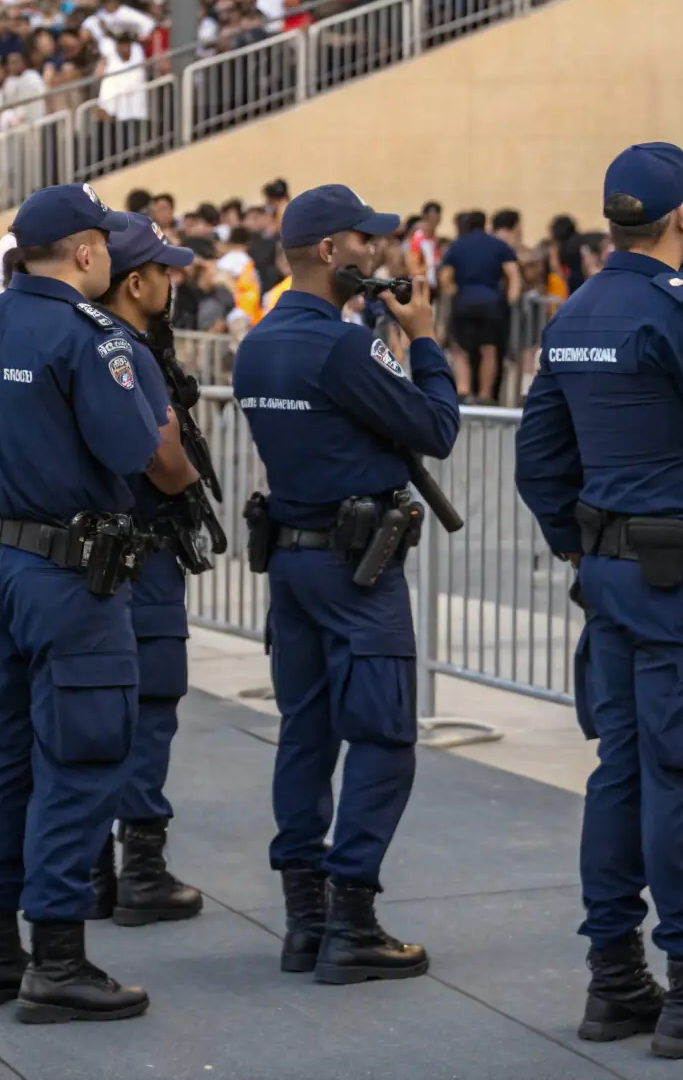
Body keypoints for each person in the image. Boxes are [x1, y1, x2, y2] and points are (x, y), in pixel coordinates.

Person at [514, 143, 683, 1060]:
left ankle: (615, 981)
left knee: (623, 776)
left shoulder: (576, 311)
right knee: (682, 782)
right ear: (682, 217)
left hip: (615, 581)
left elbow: (539, 462)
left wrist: (591, 546)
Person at [0, 183, 200, 1025]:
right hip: (74, 577)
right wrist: (175, 462)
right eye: (105, 242)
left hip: (0, 567)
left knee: (6, 758)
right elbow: (144, 455)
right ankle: (59, 959)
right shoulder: (97, 338)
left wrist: (0, 542)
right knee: (80, 761)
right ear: (84, 252)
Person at [232, 184, 460, 985]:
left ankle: (306, 919)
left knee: (306, 731)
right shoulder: (341, 343)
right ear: (330, 252)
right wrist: (423, 340)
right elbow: (435, 427)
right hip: (353, 569)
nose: (378, 254)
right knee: (384, 738)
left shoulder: (256, 343)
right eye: (365, 240)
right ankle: (353, 917)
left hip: (292, 561)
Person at [87, 215, 207, 925]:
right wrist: (191, 478)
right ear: (134, 282)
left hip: (99, 556)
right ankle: (144, 869)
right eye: (163, 270)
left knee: (100, 713)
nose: (172, 281)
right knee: (149, 707)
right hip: (142, 555)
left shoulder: (84, 340)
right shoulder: (127, 350)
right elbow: (165, 463)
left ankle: (100, 869)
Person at [439, 210, 522, 403]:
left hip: (464, 302)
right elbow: (513, 274)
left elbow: (445, 277)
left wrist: (455, 293)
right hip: (492, 304)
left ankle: (464, 389)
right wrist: (510, 300)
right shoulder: (499, 246)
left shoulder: (458, 246)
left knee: (461, 349)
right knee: (489, 349)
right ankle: (485, 394)